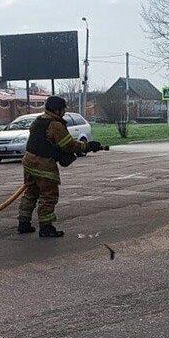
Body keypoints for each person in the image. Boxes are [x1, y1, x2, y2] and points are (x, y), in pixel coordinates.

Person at [18, 95, 106, 237]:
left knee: (30, 193)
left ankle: (23, 223)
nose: (64, 112)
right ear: (57, 110)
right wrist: (88, 146)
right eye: (63, 109)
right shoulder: (55, 125)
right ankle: (46, 228)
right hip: (43, 164)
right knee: (48, 195)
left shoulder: (39, 120)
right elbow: (69, 145)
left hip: (29, 161)